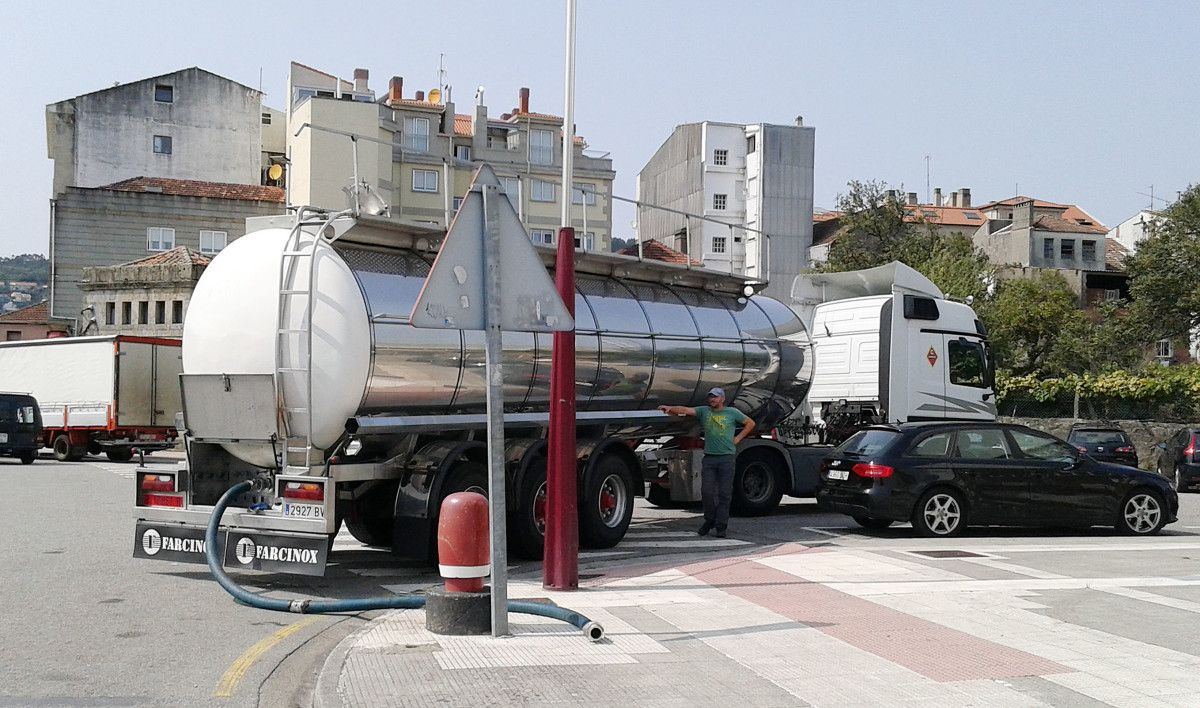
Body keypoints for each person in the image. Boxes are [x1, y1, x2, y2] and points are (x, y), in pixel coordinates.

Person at [659, 387, 756, 538]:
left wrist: (737, 438)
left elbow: (750, 423)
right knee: (707, 492)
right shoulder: (704, 411)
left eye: (716, 397)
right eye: (711, 397)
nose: (712, 400)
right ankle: (709, 520)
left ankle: (721, 526)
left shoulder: (731, 412)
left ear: (722, 399)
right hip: (710, 458)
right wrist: (671, 408)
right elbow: (686, 410)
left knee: (724, 494)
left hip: (726, 458)